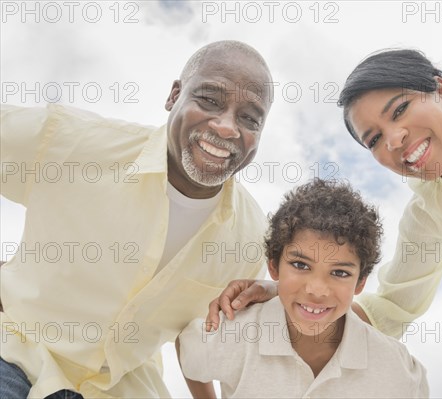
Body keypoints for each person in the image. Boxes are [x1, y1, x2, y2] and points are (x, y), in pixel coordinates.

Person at [206, 49, 442, 339]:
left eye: (400, 110)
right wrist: (282, 293)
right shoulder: (434, 213)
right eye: (374, 139)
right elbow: (388, 312)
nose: (394, 140)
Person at [0, 40, 274, 398]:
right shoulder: (72, 141)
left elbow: (207, 339)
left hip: (120, 386)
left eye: (249, 118)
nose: (226, 127)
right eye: (209, 100)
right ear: (174, 96)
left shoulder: (252, 241)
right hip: (16, 350)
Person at [176, 179, 429, 398]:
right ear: (274, 267)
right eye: (300, 265)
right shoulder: (237, 334)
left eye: (340, 273)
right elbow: (189, 353)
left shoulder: (394, 367)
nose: (317, 290)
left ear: (360, 283)